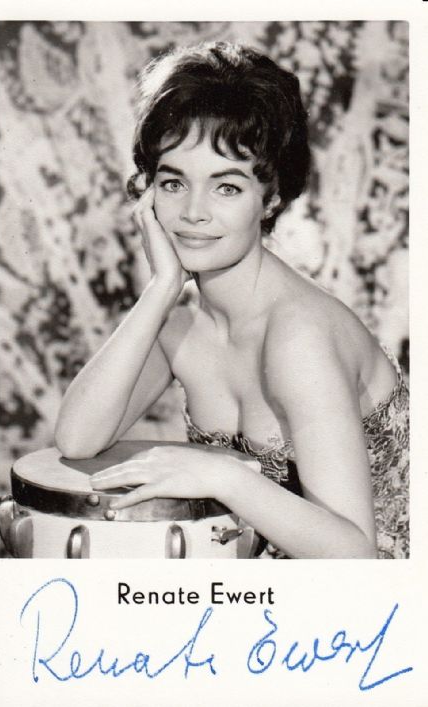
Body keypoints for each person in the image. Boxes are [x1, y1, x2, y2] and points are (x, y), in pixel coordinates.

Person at [54, 41, 409, 559]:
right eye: (173, 183)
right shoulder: (180, 328)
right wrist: (161, 288)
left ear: (272, 198)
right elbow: (76, 440)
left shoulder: (300, 337)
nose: (193, 212)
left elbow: (355, 557)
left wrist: (221, 476)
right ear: (147, 192)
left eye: (226, 188)